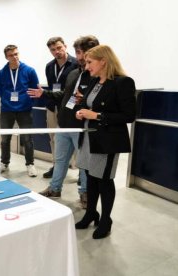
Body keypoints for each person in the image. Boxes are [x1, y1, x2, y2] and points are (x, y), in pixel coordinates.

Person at [30, 35, 100, 209]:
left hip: (81, 127)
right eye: (77, 53)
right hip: (64, 123)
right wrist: (44, 94)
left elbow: (98, 102)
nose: (79, 57)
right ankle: (54, 189)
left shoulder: (96, 76)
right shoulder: (74, 73)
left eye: (80, 52)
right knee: (60, 160)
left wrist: (85, 101)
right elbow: (65, 95)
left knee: (83, 163)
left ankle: (84, 193)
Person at [74, 45, 136, 239]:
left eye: (90, 62)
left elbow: (129, 115)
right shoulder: (94, 81)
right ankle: (91, 212)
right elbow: (87, 104)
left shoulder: (123, 82)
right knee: (90, 177)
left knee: (104, 181)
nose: (87, 67)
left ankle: (106, 220)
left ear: (104, 61)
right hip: (89, 137)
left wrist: (97, 115)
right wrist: (81, 111)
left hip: (107, 140)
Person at [0, 44, 39, 177]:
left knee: (27, 138)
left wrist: (28, 102)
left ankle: (30, 164)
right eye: (11, 55)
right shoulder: (1, 73)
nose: (14, 57)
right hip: (7, 110)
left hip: (25, 110)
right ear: (6, 57)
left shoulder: (29, 71)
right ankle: (4, 162)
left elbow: (35, 89)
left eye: (16, 54)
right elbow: (0, 90)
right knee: (5, 139)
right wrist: (7, 100)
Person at [43, 37, 78, 179]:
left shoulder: (76, 64)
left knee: (74, 138)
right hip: (53, 106)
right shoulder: (49, 66)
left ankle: (77, 168)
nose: (56, 51)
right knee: (53, 138)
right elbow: (52, 87)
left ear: (65, 46)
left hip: (69, 108)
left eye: (59, 48)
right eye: (53, 50)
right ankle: (56, 165)